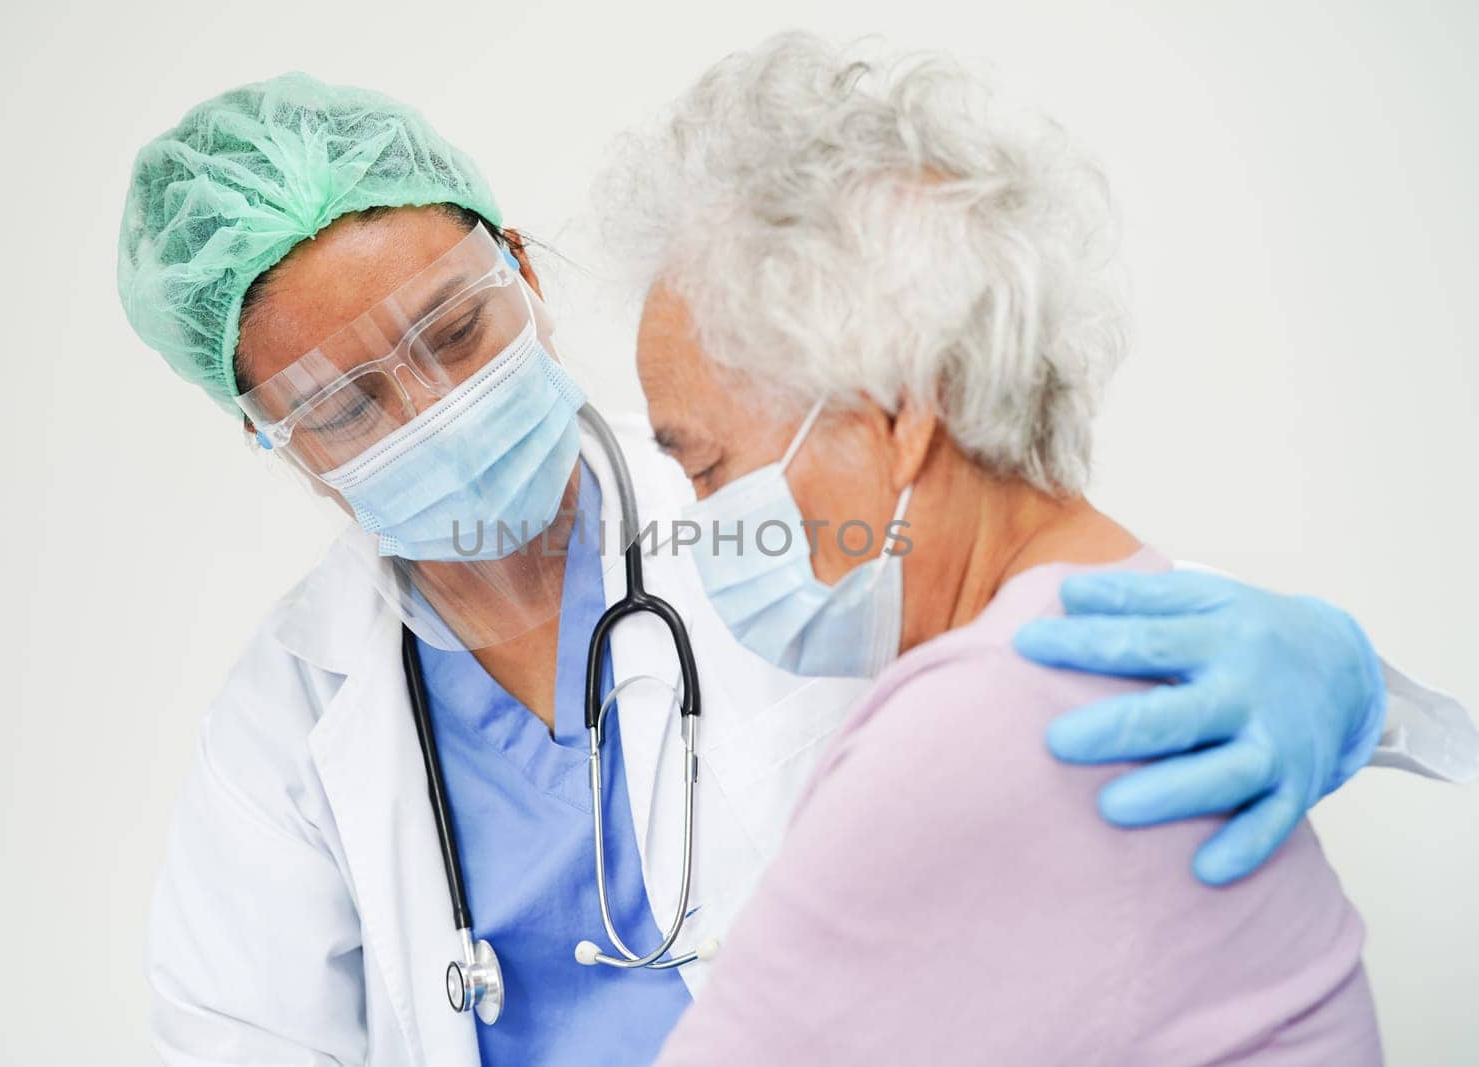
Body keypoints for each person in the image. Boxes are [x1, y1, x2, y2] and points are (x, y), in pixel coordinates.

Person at [115, 69, 1474, 1066]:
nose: (430, 413)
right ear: (277, 440)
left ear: (518, 268)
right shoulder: (290, 717)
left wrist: (1356, 683)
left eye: (455, 330)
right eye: (348, 402)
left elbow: (1074, 618)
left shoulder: (773, 501)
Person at [607, 34, 1444, 1064]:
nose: (701, 525)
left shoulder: (981, 721)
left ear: (891, 414)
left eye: (707, 467)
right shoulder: (1112, 621)